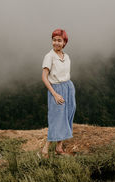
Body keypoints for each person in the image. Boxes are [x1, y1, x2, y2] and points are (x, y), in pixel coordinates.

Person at [41, 28, 76, 158]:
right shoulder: (49, 56)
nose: (56, 43)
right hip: (56, 88)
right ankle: (45, 149)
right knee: (56, 118)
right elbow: (44, 77)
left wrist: (69, 89)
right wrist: (54, 94)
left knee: (67, 115)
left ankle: (59, 147)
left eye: (59, 40)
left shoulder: (66, 57)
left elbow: (66, 74)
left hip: (68, 87)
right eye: (54, 40)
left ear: (64, 42)